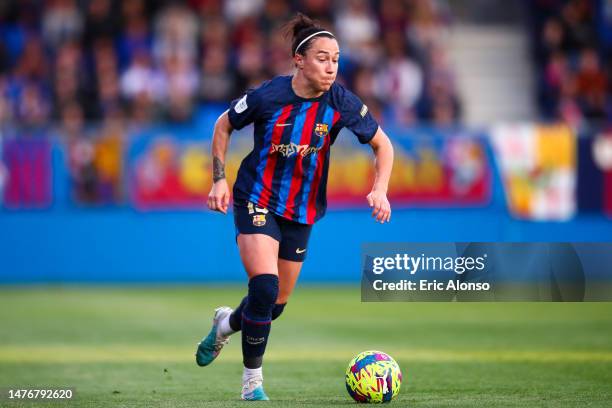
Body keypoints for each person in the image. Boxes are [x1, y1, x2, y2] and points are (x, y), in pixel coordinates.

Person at [195, 13, 394, 401]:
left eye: (336, 58)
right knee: (264, 286)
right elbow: (224, 124)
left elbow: (382, 145)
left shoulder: (342, 102)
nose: (331, 66)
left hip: (301, 211)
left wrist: (381, 189)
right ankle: (252, 383)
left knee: (274, 306)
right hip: (255, 197)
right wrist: (219, 178)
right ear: (299, 60)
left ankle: (226, 323)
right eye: (322, 57)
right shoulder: (268, 96)